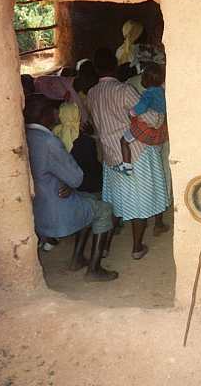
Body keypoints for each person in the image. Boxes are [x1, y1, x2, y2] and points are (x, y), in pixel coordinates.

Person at [24, 95, 118, 282]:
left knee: (88, 202)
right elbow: (76, 178)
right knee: (104, 209)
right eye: (54, 111)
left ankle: (77, 259)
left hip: (36, 206)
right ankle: (94, 269)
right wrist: (67, 181)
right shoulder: (49, 142)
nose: (56, 114)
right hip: (55, 209)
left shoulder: (25, 135)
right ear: (45, 115)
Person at [87, 48, 170, 259]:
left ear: (97, 70)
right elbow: (151, 118)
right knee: (140, 200)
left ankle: (104, 247)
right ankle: (136, 247)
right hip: (137, 152)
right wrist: (161, 116)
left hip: (110, 154)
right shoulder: (123, 90)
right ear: (115, 66)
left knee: (117, 199)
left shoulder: (92, 93)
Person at [117, 63, 168, 176]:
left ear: (146, 80)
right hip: (161, 121)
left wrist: (132, 112)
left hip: (150, 122)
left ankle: (127, 166)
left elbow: (143, 106)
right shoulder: (162, 90)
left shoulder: (148, 93)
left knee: (124, 141)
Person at [53, 102, 103, 194]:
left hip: (69, 185)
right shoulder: (85, 139)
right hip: (89, 185)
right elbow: (95, 163)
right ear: (77, 115)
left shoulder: (55, 134)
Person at [33, 59, 98, 125]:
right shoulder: (59, 85)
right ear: (80, 75)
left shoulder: (78, 95)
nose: (90, 87)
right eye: (89, 81)